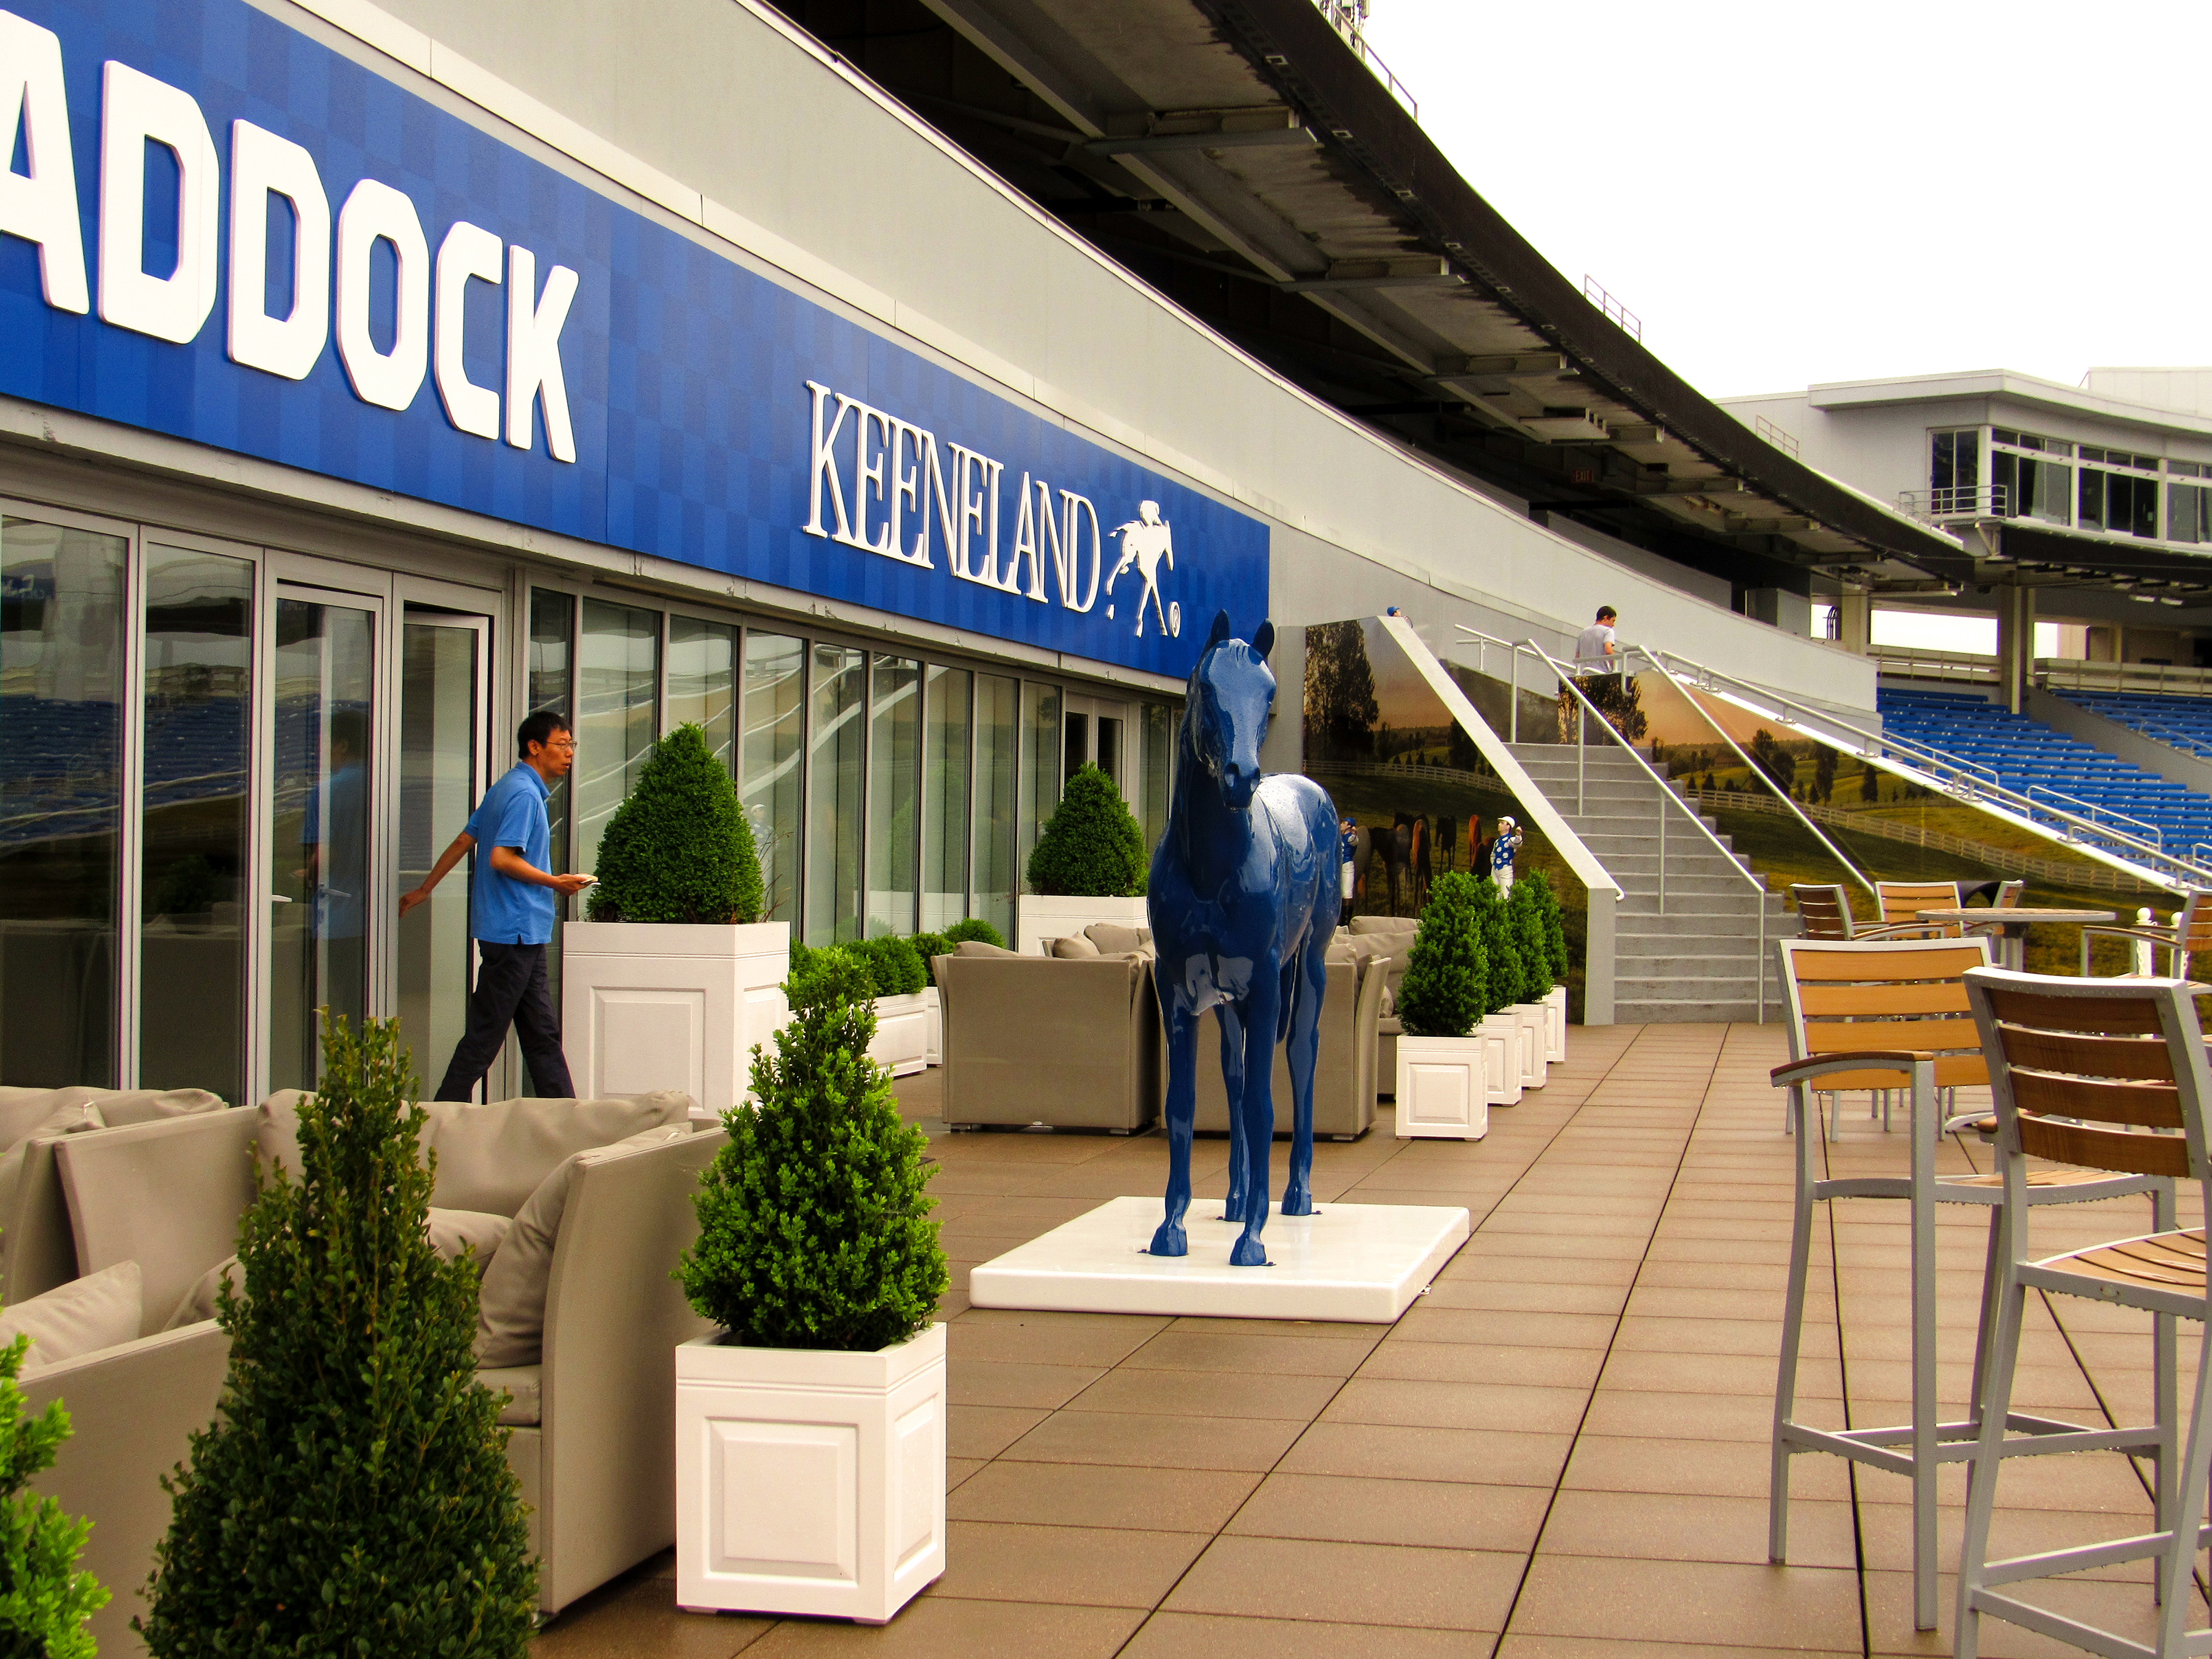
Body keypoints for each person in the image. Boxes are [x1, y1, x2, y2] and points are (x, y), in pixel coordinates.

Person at [400, 711, 594, 1100]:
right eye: (562, 744)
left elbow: (463, 841)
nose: (570, 753)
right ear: (535, 747)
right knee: (485, 1037)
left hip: (516, 933)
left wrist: (425, 889)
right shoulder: (524, 794)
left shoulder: (506, 787)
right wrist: (556, 882)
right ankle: (439, 1117)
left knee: (541, 1034)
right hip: (514, 933)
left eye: (572, 745)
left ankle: (565, 1115)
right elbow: (501, 858)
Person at [1560, 605, 1621, 739]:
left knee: (1585, 712)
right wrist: (1616, 667)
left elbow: (1578, 655)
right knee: (1604, 712)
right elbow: (1608, 650)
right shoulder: (1607, 632)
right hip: (1601, 675)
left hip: (1583, 676)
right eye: (1613, 621)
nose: (1613, 625)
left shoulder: (1584, 632)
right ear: (1606, 618)